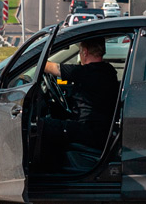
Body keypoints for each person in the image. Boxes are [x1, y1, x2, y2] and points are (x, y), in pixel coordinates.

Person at [40, 37, 120, 172]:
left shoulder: (86, 72)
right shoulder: (108, 71)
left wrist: (35, 60)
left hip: (88, 130)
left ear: (85, 52)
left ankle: (45, 173)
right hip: (98, 130)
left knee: (41, 126)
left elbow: (50, 67)